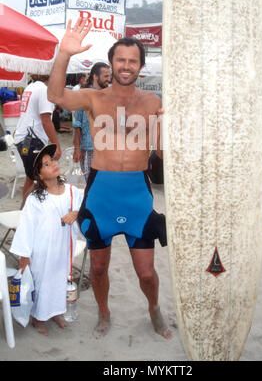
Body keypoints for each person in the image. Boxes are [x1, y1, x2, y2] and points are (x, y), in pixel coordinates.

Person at [47, 18, 170, 339]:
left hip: (137, 197)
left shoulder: (153, 103)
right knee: (98, 267)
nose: (126, 65)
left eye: (133, 60)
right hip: (101, 193)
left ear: (141, 66)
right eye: (121, 59)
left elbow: (160, 153)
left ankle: (154, 308)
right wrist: (64, 54)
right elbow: (56, 96)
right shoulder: (93, 98)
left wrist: (165, 129)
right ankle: (104, 312)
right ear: (112, 63)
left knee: (145, 272)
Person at [10, 144, 83, 336]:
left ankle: (56, 311)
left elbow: (86, 208)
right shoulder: (35, 198)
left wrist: (76, 213)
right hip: (42, 250)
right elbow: (26, 227)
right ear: (39, 175)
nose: (53, 164)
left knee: (60, 279)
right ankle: (39, 317)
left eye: (52, 160)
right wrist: (24, 257)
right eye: (46, 164)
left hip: (62, 248)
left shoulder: (72, 191)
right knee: (41, 281)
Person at [14, 75, 62, 201]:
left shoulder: (30, 87)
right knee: (42, 178)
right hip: (32, 140)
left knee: (31, 178)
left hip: (24, 140)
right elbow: (46, 120)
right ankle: (28, 211)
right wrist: (56, 145)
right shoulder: (43, 89)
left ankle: (24, 211)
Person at [73, 62, 111, 182]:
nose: (109, 79)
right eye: (106, 76)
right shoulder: (84, 96)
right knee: (91, 183)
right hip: (89, 149)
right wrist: (77, 149)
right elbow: (77, 125)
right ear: (95, 76)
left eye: (109, 76)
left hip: (107, 149)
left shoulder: (110, 96)